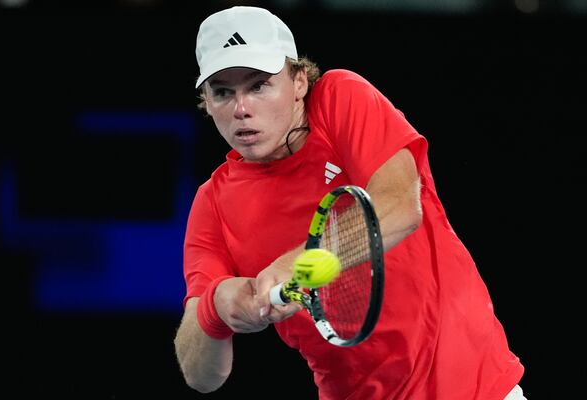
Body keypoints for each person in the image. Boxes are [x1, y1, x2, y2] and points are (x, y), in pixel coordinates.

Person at [174, 6, 526, 400]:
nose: (241, 108)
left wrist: (300, 263)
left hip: (476, 386)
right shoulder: (212, 204)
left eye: (258, 86)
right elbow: (200, 375)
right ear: (206, 100)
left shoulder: (340, 98)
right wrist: (216, 310)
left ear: (300, 81)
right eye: (223, 92)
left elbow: (400, 206)